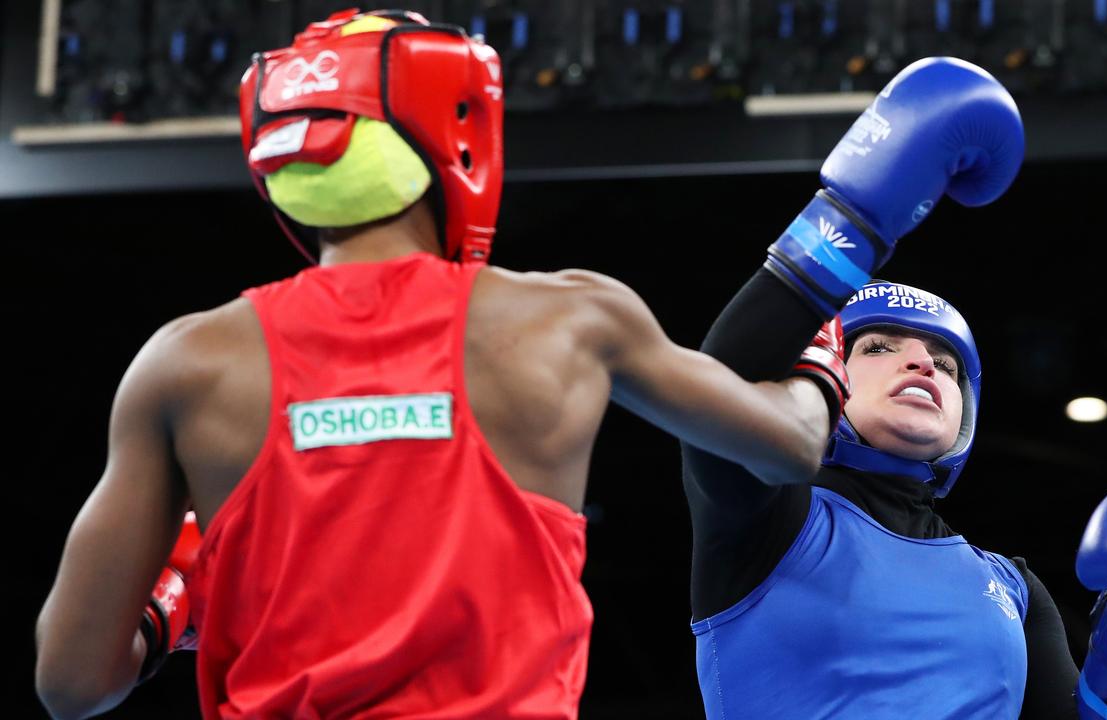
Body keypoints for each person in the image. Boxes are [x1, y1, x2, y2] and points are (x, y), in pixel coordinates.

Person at [33, 10, 851, 719]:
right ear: (454, 125)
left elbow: (71, 683)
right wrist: (819, 346)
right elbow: (789, 444)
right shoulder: (569, 319)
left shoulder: (188, 366)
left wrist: (173, 596)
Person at [680, 57, 1107, 720]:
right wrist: (854, 215)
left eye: (944, 364)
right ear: (827, 373)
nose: (921, 366)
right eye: (881, 348)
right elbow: (722, 390)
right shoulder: (767, 522)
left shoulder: (1012, 588)